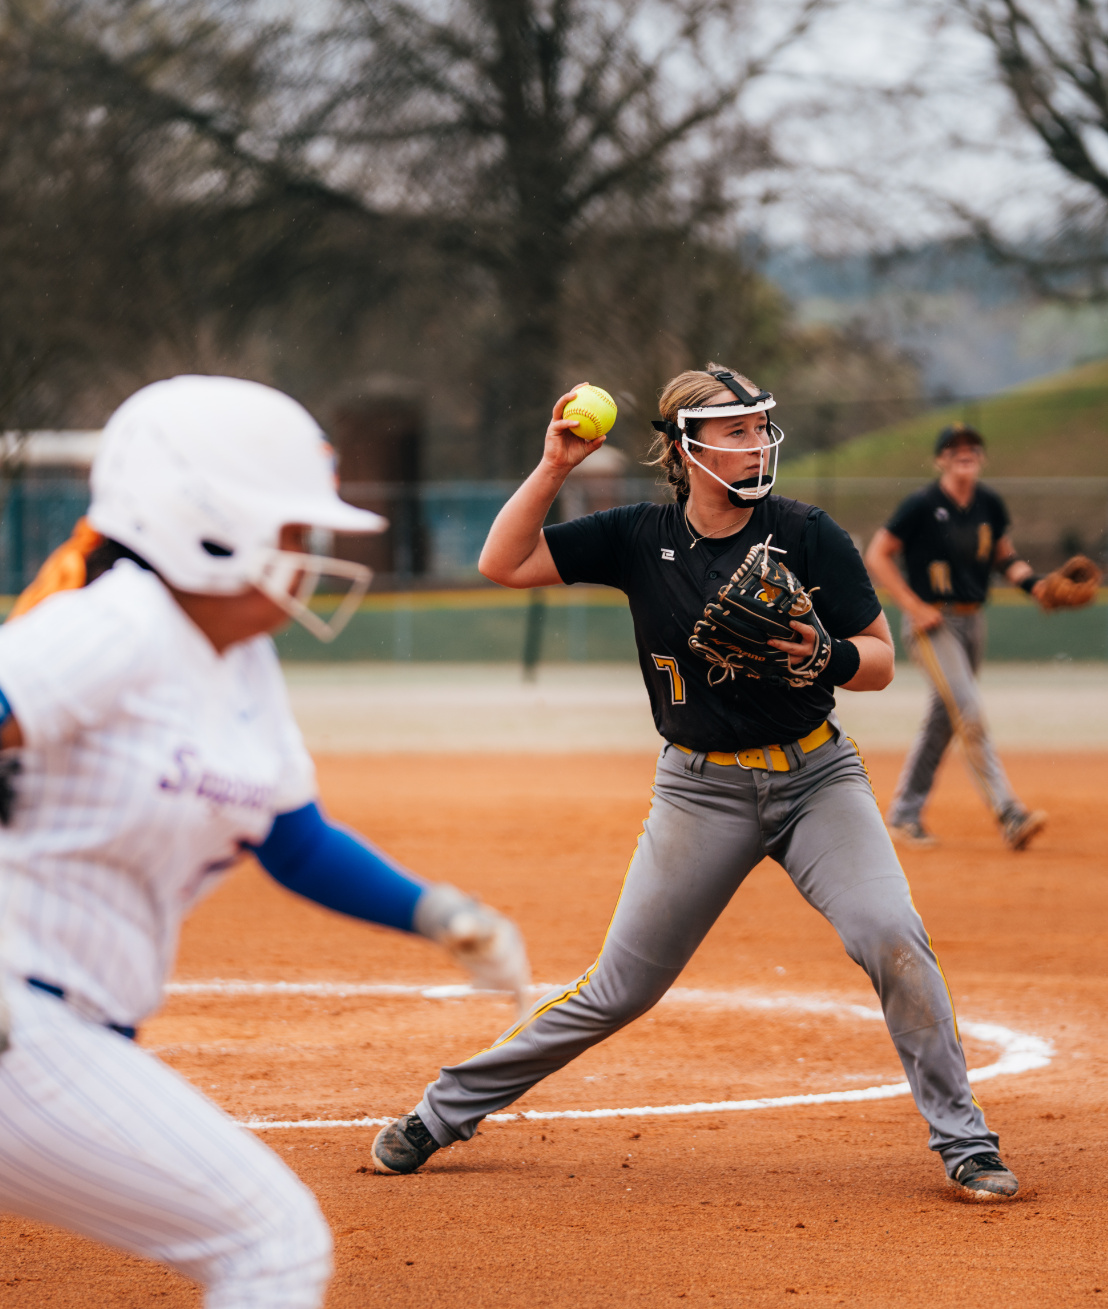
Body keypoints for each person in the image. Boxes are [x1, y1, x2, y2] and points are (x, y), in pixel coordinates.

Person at [0, 376, 535, 1309]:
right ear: (205, 525)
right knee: (273, 1243)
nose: (307, 554)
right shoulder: (121, 622)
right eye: (288, 531)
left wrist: (438, 912)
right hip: (1, 1027)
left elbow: (293, 838)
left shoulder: (239, 662)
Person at [368, 365, 1022, 1201]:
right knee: (618, 989)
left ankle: (964, 1139)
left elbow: (884, 660)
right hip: (699, 792)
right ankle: (444, 1108)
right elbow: (505, 561)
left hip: (817, 777)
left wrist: (829, 656)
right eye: (738, 430)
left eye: (761, 428)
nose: (758, 443)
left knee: (892, 932)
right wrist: (556, 465)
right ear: (688, 448)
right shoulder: (640, 535)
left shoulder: (807, 532)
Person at [864, 423, 1052, 851]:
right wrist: (913, 606)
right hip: (934, 624)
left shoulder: (989, 504)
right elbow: (878, 553)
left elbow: (1006, 558)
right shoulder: (922, 505)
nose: (964, 453)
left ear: (981, 458)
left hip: (973, 620)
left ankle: (904, 815)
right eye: (954, 449)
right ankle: (1009, 812)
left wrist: (1035, 585)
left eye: (972, 448)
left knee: (944, 718)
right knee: (968, 709)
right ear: (940, 460)